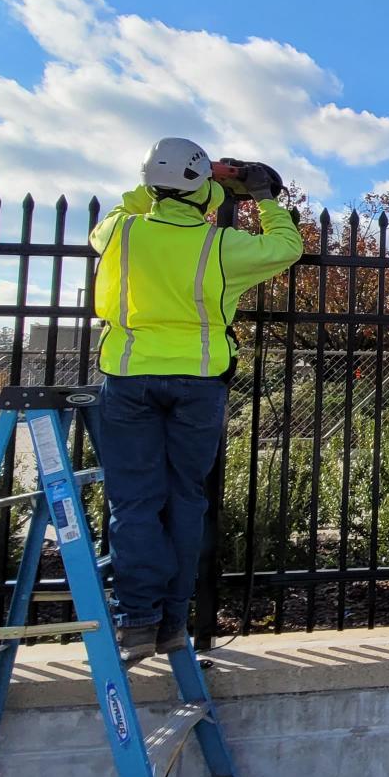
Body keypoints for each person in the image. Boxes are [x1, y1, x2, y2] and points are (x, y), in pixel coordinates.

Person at [89, 137, 303, 661]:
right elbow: (285, 247)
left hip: (129, 376)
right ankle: (172, 620)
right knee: (185, 499)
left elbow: (121, 209)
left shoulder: (121, 230)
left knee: (136, 502)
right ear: (205, 187)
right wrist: (259, 197)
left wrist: (167, 184)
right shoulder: (220, 246)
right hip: (198, 383)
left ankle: (138, 619)